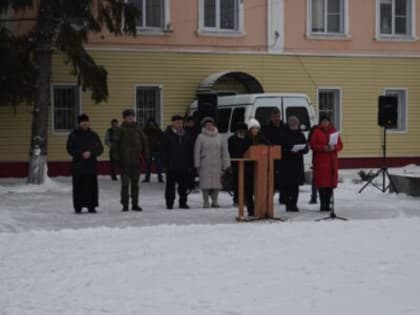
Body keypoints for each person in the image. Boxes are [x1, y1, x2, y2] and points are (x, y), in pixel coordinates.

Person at [66, 114, 104, 214]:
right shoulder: (73, 135)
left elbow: (100, 149)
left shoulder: (93, 135)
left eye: (86, 121)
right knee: (78, 187)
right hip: (78, 166)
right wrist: (80, 154)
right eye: (82, 122)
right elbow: (69, 149)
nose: (85, 123)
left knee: (91, 187)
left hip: (91, 166)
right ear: (79, 123)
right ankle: (78, 207)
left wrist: (91, 153)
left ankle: (92, 206)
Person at [114, 109, 150, 212]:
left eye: (132, 116)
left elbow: (145, 142)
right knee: (125, 185)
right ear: (124, 118)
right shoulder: (120, 130)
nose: (130, 118)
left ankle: (135, 204)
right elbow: (115, 146)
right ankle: (125, 204)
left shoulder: (138, 128)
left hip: (136, 161)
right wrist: (117, 159)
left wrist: (146, 156)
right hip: (124, 162)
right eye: (128, 116)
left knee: (135, 185)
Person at [309, 115, 343, 212]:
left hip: (331, 162)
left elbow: (340, 145)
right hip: (320, 161)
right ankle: (323, 204)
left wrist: (334, 147)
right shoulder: (316, 132)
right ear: (320, 122)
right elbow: (312, 145)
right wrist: (323, 148)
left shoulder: (334, 131)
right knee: (322, 185)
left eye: (326, 121)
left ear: (329, 122)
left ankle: (328, 203)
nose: (325, 123)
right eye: (323, 121)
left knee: (329, 185)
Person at [194, 116, 230, 208]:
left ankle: (215, 201)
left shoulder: (220, 136)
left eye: (211, 124)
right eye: (207, 125)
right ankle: (206, 202)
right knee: (205, 183)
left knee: (216, 183)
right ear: (204, 126)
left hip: (217, 163)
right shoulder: (200, 137)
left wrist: (226, 164)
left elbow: (224, 151)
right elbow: (197, 151)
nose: (209, 126)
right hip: (204, 164)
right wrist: (197, 164)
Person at [160, 115, 194, 209]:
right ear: (173, 123)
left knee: (183, 186)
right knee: (170, 186)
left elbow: (190, 150)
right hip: (171, 166)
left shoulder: (186, 134)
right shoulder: (166, 134)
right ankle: (169, 203)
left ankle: (183, 202)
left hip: (184, 165)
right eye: (177, 123)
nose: (179, 125)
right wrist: (164, 164)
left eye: (181, 123)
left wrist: (190, 164)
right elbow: (162, 150)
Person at [277, 116, 309, 212]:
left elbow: (306, 148)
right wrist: (289, 150)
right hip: (286, 163)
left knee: (295, 186)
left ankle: (294, 204)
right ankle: (288, 204)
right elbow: (280, 148)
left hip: (297, 164)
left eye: (295, 123)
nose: (294, 125)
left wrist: (300, 150)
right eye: (292, 123)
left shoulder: (301, 135)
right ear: (289, 124)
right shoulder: (284, 134)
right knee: (287, 185)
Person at [261, 108, 288, 204]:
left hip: (283, 156)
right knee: (270, 179)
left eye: (278, 116)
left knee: (283, 178)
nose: (276, 118)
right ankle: (268, 198)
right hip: (270, 157)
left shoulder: (285, 127)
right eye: (274, 116)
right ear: (271, 117)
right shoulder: (265, 128)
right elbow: (262, 140)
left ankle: (283, 198)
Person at [243, 118, 269, 217]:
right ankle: (251, 210)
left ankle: (262, 209)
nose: (255, 131)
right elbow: (244, 152)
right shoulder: (246, 139)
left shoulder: (262, 138)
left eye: (257, 129)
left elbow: (270, 147)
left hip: (260, 168)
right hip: (249, 168)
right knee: (249, 190)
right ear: (250, 130)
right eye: (253, 129)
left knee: (260, 188)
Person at [227, 121, 248, 206]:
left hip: (247, 165)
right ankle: (236, 200)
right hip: (236, 164)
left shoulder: (248, 139)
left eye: (243, 130)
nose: (242, 132)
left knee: (246, 183)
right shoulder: (231, 139)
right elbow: (231, 151)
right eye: (240, 130)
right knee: (237, 183)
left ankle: (246, 199)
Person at [142, 117, 164, 183]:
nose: (151, 124)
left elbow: (162, 138)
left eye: (152, 122)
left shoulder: (158, 130)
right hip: (148, 149)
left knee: (158, 165)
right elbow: (142, 139)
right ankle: (147, 178)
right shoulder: (145, 130)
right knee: (148, 164)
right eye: (150, 122)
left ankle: (160, 177)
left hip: (157, 149)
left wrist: (159, 144)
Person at [307, 125, 318, 204]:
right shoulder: (314, 129)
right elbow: (309, 142)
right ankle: (314, 196)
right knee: (316, 179)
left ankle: (325, 197)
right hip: (317, 157)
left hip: (326, 158)